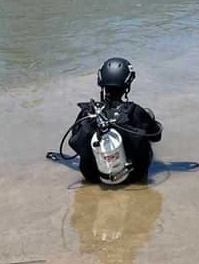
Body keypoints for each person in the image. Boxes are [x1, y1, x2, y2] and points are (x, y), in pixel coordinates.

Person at [64, 57, 162, 185]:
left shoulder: (88, 112)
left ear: (101, 81)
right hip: (133, 176)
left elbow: (74, 141)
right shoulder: (136, 111)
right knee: (145, 139)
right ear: (128, 84)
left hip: (93, 177)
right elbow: (156, 136)